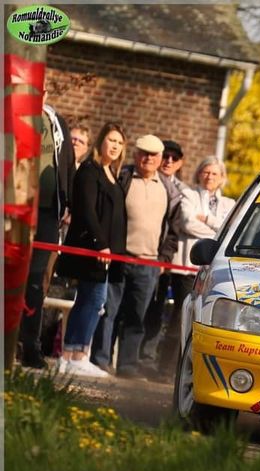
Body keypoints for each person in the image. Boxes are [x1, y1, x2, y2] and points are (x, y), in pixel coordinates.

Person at [90, 134, 183, 378]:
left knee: (136, 317)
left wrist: (164, 259)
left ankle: (127, 367)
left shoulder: (169, 190)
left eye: (153, 155)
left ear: (160, 158)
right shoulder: (122, 177)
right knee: (108, 312)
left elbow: (174, 229)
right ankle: (100, 361)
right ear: (136, 154)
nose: (148, 159)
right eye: (143, 153)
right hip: (119, 258)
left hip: (148, 263)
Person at [144, 156, 236, 382]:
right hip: (186, 266)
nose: (209, 177)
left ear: (222, 178)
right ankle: (165, 370)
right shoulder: (189, 195)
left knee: (206, 321)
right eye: (206, 171)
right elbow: (187, 222)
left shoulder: (230, 204)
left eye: (215, 173)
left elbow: (229, 231)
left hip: (214, 271)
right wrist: (216, 229)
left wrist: (206, 219)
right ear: (198, 173)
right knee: (179, 317)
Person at [55, 123, 127, 377]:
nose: (115, 146)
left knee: (91, 300)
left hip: (108, 255)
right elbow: (86, 210)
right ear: (100, 142)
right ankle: (73, 355)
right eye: (111, 140)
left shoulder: (112, 173)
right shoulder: (89, 171)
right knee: (93, 299)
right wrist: (101, 244)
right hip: (92, 250)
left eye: (119, 142)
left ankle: (76, 354)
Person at [18, 97, 75, 369]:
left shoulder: (56, 121)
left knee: (36, 281)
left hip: (48, 214)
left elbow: (68, 164)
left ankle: (30, 345)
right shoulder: (11, 113)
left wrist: (69, 203)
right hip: (15, 209)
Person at [140, 140, 187, 368]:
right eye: (165, 156)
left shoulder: (183, 192)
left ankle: (147, 357)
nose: (168, 161)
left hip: (165, 259)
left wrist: (164, 259)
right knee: (134, 307)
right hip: (139, 252)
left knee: (157, 309)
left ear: (180, 163)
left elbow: (180, 226)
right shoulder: (139, 178)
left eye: (174, 158)